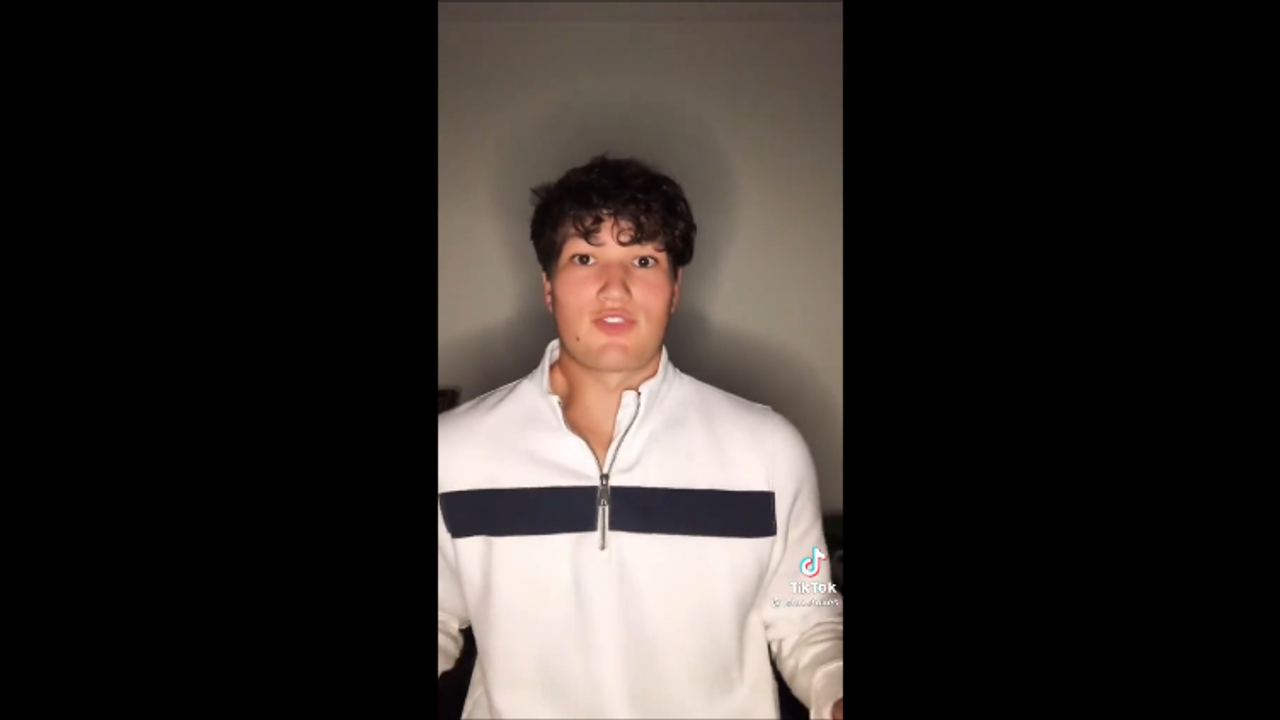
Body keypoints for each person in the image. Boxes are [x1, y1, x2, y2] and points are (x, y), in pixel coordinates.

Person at [437, 155, 844, 719]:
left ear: (675, 289)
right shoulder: (454, 450)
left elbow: (808, 613)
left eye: (644, 260)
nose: (615, 287)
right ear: (549, 287)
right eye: (585, 258)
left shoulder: (768, 449)